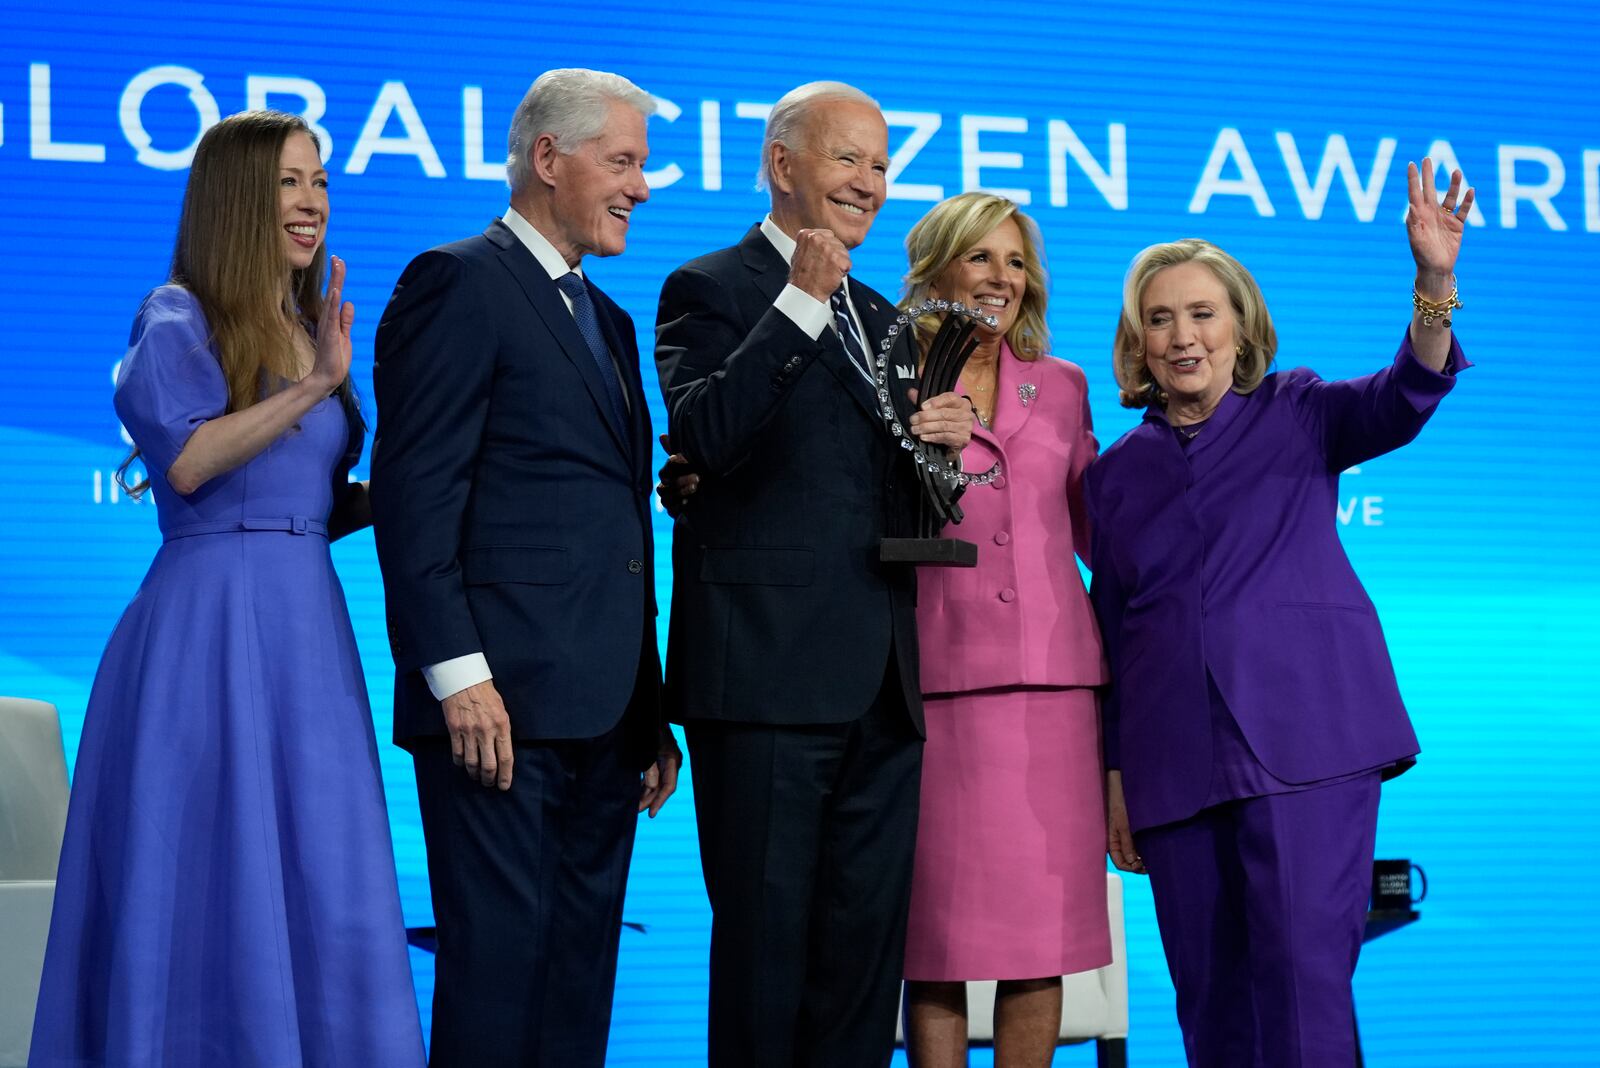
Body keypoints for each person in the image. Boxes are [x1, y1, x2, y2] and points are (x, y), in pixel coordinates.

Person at [30, 110, 424, 1067]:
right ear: (238, 198)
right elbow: (195, 459)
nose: (312, 202)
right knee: (206, 873)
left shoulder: (302, 326)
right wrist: (311, 385)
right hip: (205, 627)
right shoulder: (177, 315)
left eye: (321, 182)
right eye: (290, 182)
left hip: (306, 626)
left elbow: (315, 500)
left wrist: (436, 483)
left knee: (319, 865)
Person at [1088, 160, 1474, 1068]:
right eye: (1160, 317)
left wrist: (1434, 283)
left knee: (1303, 988)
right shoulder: (1112, 478)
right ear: (1137, 341)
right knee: (1210, 1006)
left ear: (1240, 326)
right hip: (1175, 768)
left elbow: (1405, 394)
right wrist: (1114, 778)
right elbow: (1111, 637)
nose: (1183, 336)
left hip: (1308, 746)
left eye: (1202, 313)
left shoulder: (1297, 411)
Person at [653, 81, 973, 1067]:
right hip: (763, 683)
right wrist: (799, 300)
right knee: (764, 957)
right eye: (849, 160)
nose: (871, 184)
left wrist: (941, 450)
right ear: (783, 165)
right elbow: (706, 431)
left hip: (881, 682)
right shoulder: (707, 286)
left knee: (858, 967)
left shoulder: (889, 318)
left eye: (880, 166)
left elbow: (898, 497)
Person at [369, 68, 679, 1068]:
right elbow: (417, 499)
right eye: (622, 161)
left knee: (578, 983)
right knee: (497, 983)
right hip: (494, 709)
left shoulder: (613, 322)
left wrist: (648, 707)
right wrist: (458, 677)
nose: (641, 186)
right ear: (549, 159)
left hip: (604, 715)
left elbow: (610, 524)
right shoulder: (455, 280)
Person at [895, 193, 1110, 1068]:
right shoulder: (892, 377)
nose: (1001, 280)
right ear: (936, 271)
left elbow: (1096, 522)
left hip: (1055, 693)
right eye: (981, 259)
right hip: (939, 688)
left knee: (1042, 942)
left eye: (1015, 262)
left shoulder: (1061, 383)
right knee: (935, 943)